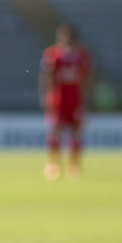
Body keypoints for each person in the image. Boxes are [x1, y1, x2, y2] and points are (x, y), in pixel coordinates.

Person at [39, 24, 92, 180]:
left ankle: (73, 165)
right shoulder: (53, 54)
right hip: (58, 99)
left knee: (75, 132)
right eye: (62, 36)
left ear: (73, 37)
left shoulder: (82, 55)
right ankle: (53, 164)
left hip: (75, 99)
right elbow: (46, 76)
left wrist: (86, 98)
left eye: (67, 36)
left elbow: (87, 78)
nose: (64, 38)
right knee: (55, 130)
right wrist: (46, 96)